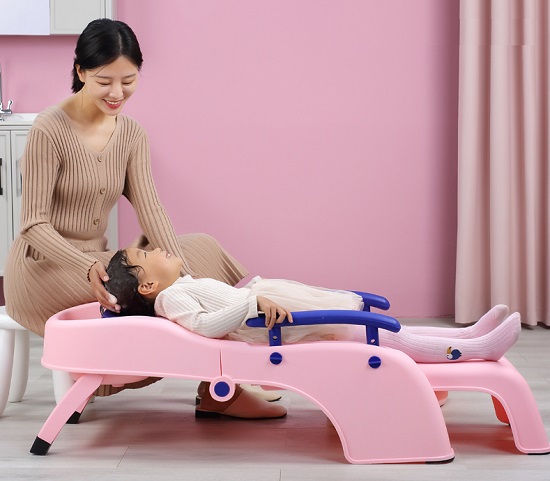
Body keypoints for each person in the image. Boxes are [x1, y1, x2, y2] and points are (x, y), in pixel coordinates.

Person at [3, 19, 273, 417]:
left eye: (128, 80)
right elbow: (33, 225)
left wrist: (185, 272)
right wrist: (87, 265)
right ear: (80, 72)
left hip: (102, 261)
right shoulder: (50, 129)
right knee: (142, 290)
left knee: (201, 249)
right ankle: (221, 388)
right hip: (44, 267)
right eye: (104, 81)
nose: (117, 93)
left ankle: (217, 384)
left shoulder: (131, 134)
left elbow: (151, 209)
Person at [105, 246, 522, 368]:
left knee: (383, 330)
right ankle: (478, 350)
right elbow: (205, 326)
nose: (154, 248)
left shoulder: (180, 286)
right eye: (145, 254)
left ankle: (467, 336)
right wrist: (250, 301)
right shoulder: (171, 297)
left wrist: (252, 299)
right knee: (381, 337)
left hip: (278, 314)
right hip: (279, 324)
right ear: (148, 284)